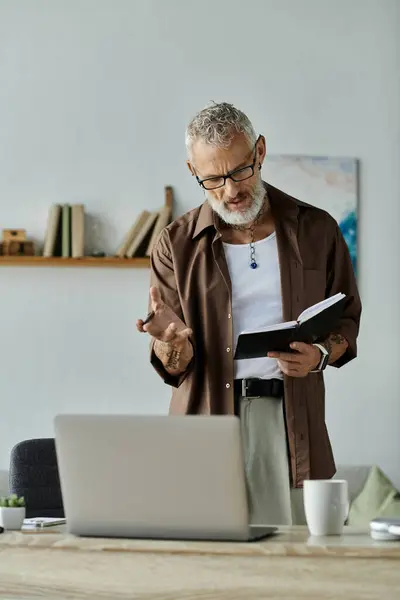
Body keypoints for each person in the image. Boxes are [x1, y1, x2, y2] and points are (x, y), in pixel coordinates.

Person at [137, 102, 361, 525]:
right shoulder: (175, 244)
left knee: (296, 569)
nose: (229, 190)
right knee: (208, 573)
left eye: (240, 171)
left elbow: (347, 318)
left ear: (259, 151)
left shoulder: (317, 230)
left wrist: (320, 356)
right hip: (205, 421)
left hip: (291, 419)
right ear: (193, 171)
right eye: (212, 179)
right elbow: (175, 366)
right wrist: (170, 346)